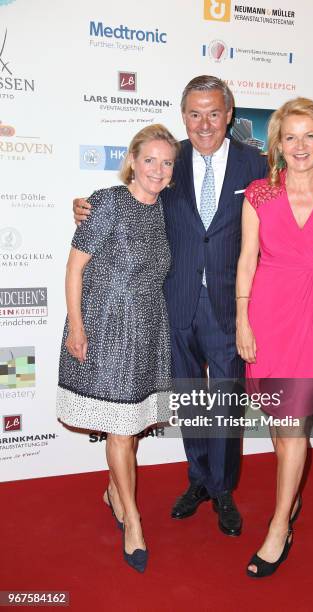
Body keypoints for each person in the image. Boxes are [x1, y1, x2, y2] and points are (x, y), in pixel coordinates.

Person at [74, 76, 313, 538]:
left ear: (229, 114)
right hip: (174, 303)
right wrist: (88, 208)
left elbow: (298, 210)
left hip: (231, 306)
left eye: (214, 112)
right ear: (184, 117)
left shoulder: (257, 165)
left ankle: (222, 489)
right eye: (195, 113)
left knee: (226, 404)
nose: (204, 123)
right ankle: (197, 479)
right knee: (193, 399)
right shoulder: (168, 160)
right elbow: (135, 196)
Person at [236, 97, 313, 577]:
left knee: (293, 426)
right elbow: (247, 260)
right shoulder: (258, 194)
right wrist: (242, 321)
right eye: (290, 136)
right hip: (267, 316)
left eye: (309, 135)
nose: (300, 145)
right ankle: (289, 499)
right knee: (279, 420)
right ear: (277, 144)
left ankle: (278, 525)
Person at [57, 124, 179, 572]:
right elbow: (74, 269)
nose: (158, 170)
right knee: (121, 430)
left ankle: (114, 491)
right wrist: (76, 325)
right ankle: (133, 521)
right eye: (150, 160)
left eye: (167, 163)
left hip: (148, 327)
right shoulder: (107, 202)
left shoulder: (165, 208)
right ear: (133, 158)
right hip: (107, 326)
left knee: (127, 424)